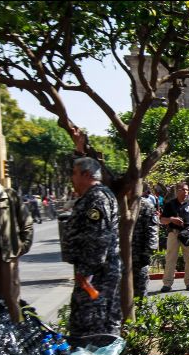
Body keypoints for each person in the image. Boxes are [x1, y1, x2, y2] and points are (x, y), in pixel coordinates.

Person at [63, 127, 123, 337]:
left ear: (86, 175)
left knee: (95, 329)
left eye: (74, 174)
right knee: (98, 325)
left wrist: (86, 273)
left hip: (97, 276)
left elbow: (98, 239)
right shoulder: (95, 195)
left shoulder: (97, 199)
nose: (72, 179)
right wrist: (79, 150)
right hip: (97, 273)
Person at [0, 176, 33, 322]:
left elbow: (26, 222)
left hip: (7, 257)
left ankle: (16, 333)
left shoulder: (9, 195)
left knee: (10, 299)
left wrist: (23, 246)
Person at [159, 182, 189, 292]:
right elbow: (162, 220)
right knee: (170, 259)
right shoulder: (170, 204)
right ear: (177, 191)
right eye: (183, 189)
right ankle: (167, 284)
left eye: (187, 190)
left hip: (187, 234)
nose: (186, 192)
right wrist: (172, 219)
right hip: (173, 233)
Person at [132, 195, 159, 299]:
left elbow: (152, 230)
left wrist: (147, 253)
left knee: (140, 288)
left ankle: (140, 309)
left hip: (139, 256)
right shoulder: (117, 202)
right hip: (120, 258)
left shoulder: (145, 205)